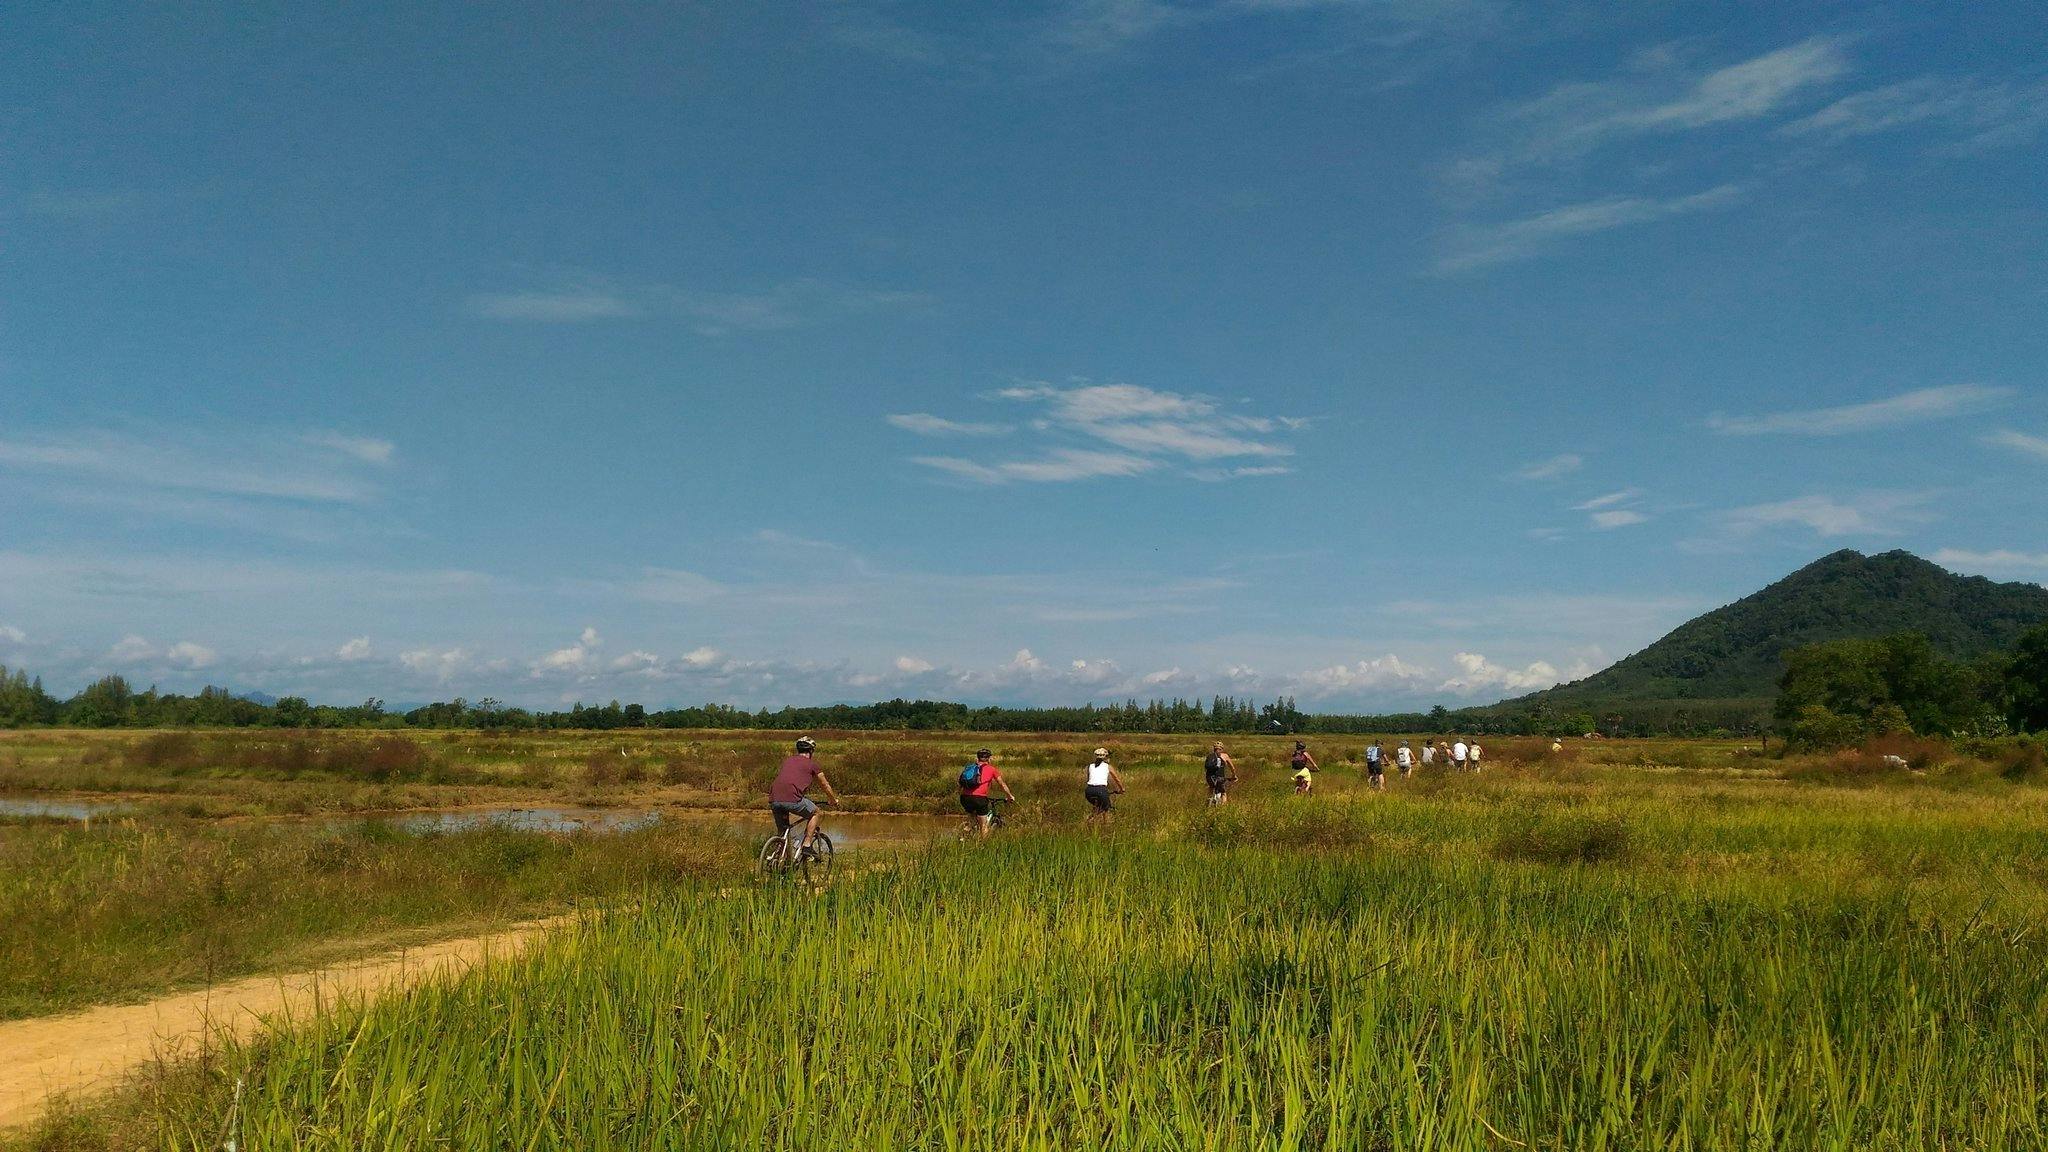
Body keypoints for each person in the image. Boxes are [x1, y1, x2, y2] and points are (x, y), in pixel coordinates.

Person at [769, 736, 840, 860]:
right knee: (816, 812)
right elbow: (825, 785)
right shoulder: (812, 765)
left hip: (774, 799)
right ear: (811, 751)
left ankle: (781, 861)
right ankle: (807, 845)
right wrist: (833, 800)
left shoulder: (788, 761)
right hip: (793, 799)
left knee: (783, 833)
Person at [959, 747, 1015, 839]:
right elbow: (1002, 784)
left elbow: (961, 784)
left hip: (965, 798)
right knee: (983, 826)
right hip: (979, 799)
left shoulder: (970, 768)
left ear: (977, 758)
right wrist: (1010, 796)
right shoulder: (992, 769)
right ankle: (983, 846)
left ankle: (962, 839)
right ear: (989, 759)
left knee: (971, 820)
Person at [1084, 747, 1124, 824]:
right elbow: (1116, 779)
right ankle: (1100, 822)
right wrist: (1122, 789)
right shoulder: (1108, 766)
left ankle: (1092, 821)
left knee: (1098, 806)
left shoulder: (1090, 766)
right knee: (1106, 808)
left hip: (1089, 791)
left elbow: (1089, 779)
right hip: (1101, 790)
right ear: (1105, 757)